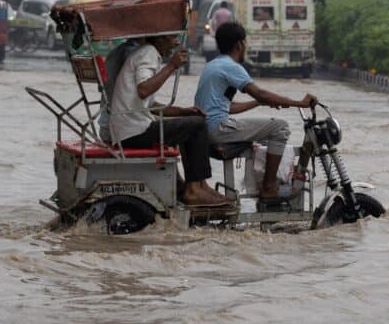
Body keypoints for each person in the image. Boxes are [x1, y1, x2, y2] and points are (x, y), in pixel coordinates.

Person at [195, 22, 316, 199]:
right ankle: (269, 186)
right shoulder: (232, 67)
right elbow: (261, 93)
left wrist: (258, 103)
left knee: (271, 127)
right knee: (280, 127)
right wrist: (300, 103)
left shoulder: (213, 65)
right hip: (218, 129)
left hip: (206, 129)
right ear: (240, 45)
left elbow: (228, 107)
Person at [109, 34, 226, 207]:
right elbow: (144, 90)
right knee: (198, 124)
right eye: (173, 38)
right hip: (134, 133)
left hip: (130, 131)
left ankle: (198, 186)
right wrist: (172, 65)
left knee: (191, 121)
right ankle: (194, 189)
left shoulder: (143, 53)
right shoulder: (148, 53)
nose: (177, 42)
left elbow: (151, 105)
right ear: (159, 39)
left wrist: (183, 111)